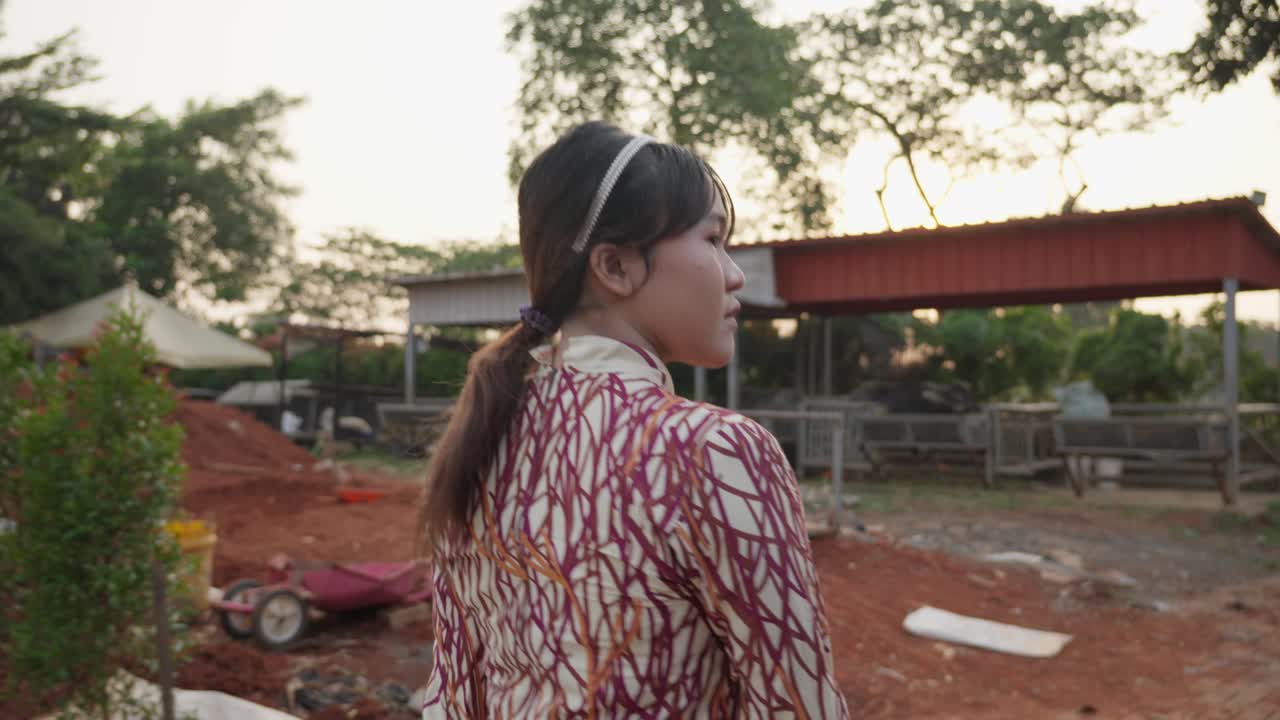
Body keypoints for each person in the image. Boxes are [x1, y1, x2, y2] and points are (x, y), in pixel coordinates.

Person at [418, 121, 847, 718]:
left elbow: (453, 698)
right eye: (713, 239)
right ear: (615, 267)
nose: (735, 273)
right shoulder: (714, 452)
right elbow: (799, 707)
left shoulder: (476, 443)